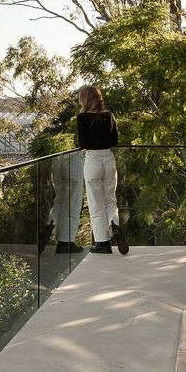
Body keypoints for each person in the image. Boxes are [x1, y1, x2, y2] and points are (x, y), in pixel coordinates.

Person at [75, 84, 128, 255]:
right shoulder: (108, 115)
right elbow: (114, 140)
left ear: (84, 99)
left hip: (93, 160)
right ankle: (114, 225)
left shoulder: (82, 117)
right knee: (110, 199)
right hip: (108, 159)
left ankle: (103, 243)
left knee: (95, 202)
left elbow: (83, 143)